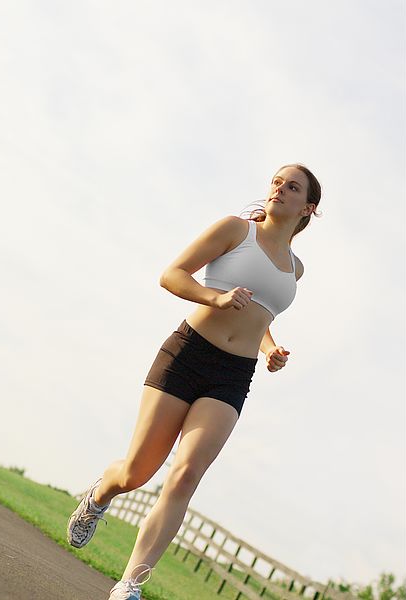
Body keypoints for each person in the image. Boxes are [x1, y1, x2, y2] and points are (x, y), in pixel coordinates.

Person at [67, 163, 322, 600]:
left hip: (232, 375)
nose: (279, 189)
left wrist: (270, 350)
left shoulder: (295, 270)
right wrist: (215, 297)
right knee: (136, 472)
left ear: (308, 208)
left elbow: (260, 316)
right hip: (187, 355)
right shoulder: (235, 231)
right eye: (276, 182)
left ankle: (129, 585)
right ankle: (99, 496)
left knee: (185, 475)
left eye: (292, 187)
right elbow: (172, 274)